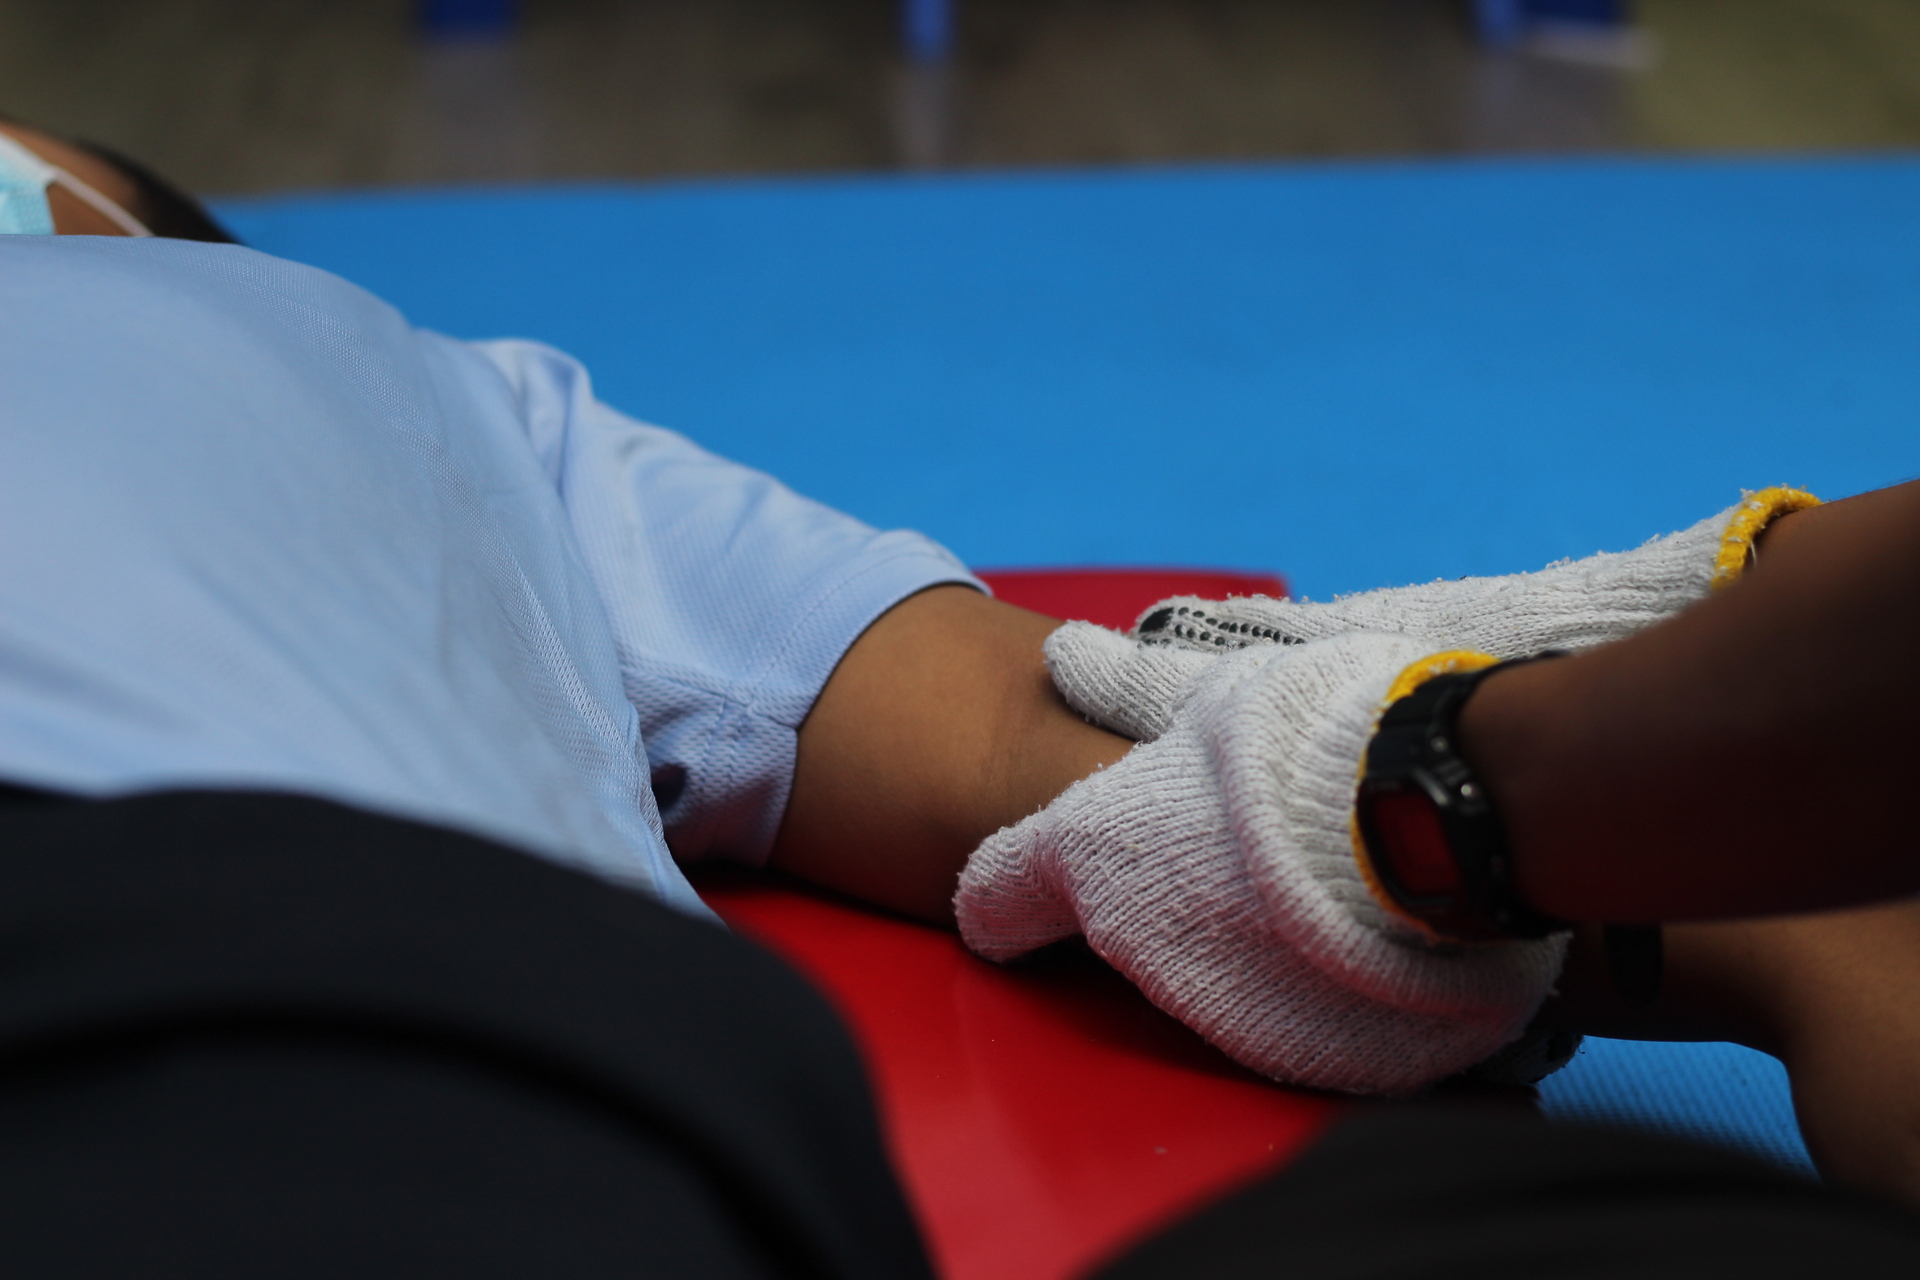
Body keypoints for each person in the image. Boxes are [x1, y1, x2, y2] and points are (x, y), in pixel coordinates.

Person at [4, 115, 1920, 1274]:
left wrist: (1747, 926)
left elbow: (1041, 757)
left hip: (307, 1021)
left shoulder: (418, 390)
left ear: (129, 232)